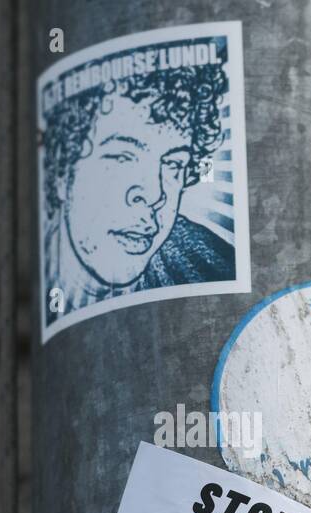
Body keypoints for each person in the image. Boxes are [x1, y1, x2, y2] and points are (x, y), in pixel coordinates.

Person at [42, 58, 234, 320]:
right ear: (64, 170)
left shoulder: (207, 262)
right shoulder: (43, 282)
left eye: (173, 164)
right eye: (122, 158)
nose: (154, 195)